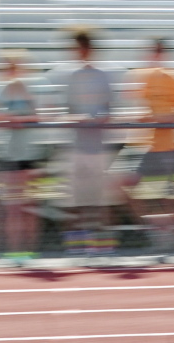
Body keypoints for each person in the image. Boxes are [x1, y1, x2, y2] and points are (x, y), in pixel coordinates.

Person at [120, 38, 174, 259]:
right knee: (119, 184)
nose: (155, 55)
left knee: (171, 194)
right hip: (139, 142)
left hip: (170, 144)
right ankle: (155, 230)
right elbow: (130, 105)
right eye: (152, 51)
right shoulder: (136, 76)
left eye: (159, 51)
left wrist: (157, 118)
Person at [0, 48, 48, 266]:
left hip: (26, 154)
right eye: (8, 66)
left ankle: (28, 251)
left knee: (27, 207)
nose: (12, 70)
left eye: (16, 66)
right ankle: (4, 251)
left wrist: (19, 117)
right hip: (1, 154)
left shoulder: (31, 88)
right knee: (5, 208)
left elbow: (41, 115)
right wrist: (9, 117)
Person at [53, 28, 115, 258]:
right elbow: (60, 112)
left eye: (86, 47)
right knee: (75, 200)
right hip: (74, 147)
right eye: (79, 48)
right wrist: (77, 119)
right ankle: (75, 246)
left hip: (98, 147)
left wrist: (99, 119)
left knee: (100, 199)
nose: (82, 52)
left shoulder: (103, 75)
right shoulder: (65, 75)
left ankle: (103, 245)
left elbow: (110, 110)